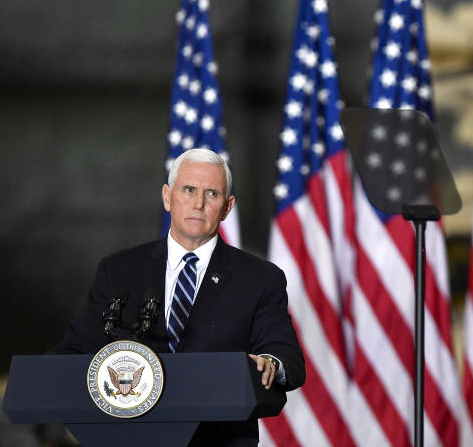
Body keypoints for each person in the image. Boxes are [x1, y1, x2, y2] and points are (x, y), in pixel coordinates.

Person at [54, 148, 305, 445]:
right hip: (131, 436)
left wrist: (269, 363)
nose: (198, 203)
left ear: (227, 207)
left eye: (212, 194)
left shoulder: (260, 279)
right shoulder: (120, 270)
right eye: (188, 190)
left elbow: (285, 355)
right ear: (167, 197)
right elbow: (76, 349)